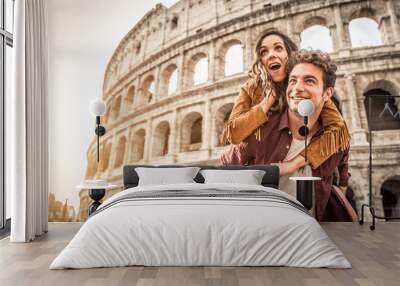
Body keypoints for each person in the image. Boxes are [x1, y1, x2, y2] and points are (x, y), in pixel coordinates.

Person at [220, 50, 355, 222]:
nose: (297, 88)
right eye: (292, 81)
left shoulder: (337, 138)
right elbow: (224, 169)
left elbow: (343, 168)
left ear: (327, 93)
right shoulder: (259, 133)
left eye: (309, 81)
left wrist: (340, 195)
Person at [221, 30, 350, 174]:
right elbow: (233, 134)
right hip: (239, 165)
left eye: (278, 48)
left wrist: (294, 163)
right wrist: (268, 100)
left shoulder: (305, 87)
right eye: (264, 52)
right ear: (261, 60)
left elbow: (339, 131)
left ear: (289, 54)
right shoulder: (252, 87)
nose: (271, 55)